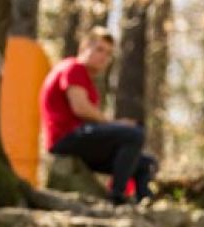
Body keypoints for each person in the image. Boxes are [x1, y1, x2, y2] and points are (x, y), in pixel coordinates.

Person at [39, 27, 156, 204]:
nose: (104, 57)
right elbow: (80, 108)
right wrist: (116, 124)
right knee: (133, 134)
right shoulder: (73, 68)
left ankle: (144, 203)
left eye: (108, 53)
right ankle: (116, 196)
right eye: (99, 50)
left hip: (82, 141)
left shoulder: (86, 78)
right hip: (66, 138)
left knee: (146, 163)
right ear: (84, 47)